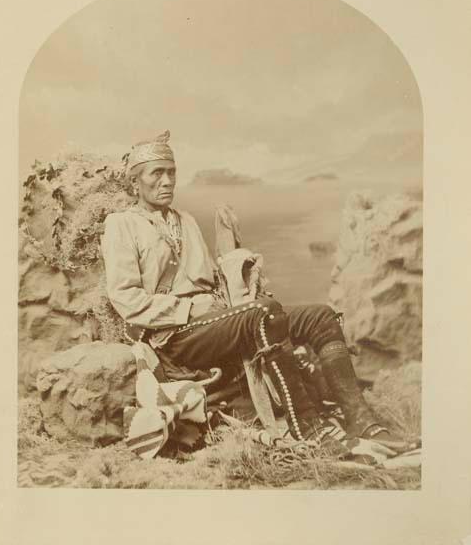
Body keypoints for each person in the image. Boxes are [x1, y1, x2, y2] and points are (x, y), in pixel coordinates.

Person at [101, 131, 406, 458]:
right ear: (136, 182)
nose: (167, 181)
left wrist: (235, 276)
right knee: (264, 314)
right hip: (173, 336)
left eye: (171, 172)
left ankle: (363, 422)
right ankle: (310, 430)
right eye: (156, 173)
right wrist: (188, 309)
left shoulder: (185, 221)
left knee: (320, 316)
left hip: (213, 323)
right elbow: (126, 299)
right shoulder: (121, 225)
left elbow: (209, 282)